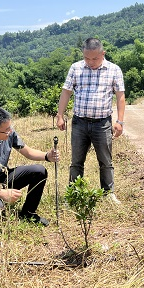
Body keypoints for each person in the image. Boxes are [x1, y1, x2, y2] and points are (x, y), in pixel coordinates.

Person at [56, 37, 125, 204]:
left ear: (103, 54)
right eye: (87, 58)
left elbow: (120, 96)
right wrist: (60, 115)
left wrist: (120, 121)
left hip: (102, 123)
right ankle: (74, 194)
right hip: (79, 122)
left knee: (105, 161)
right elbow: (66, 92)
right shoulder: (76, 68)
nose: (90, 62)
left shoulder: (114, 70)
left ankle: (108, 193)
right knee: (76, 161)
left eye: (95, 58)